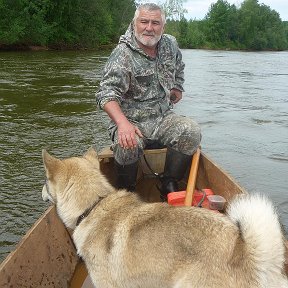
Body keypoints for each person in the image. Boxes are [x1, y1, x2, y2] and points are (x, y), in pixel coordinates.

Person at [96, 3, 201, 200]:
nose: (149, 27)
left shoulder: (170, 44)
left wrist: (178, 86)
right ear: (135, 23)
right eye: (144, 22)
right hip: (131, 122)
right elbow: (106, 94)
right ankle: (126, 193)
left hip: (163, 117)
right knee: (128, 144)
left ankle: (169, 182)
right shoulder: (123, 53)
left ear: (163, 26)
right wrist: (122, 124)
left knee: (191, 131)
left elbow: (179, 66)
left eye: (155, 23)